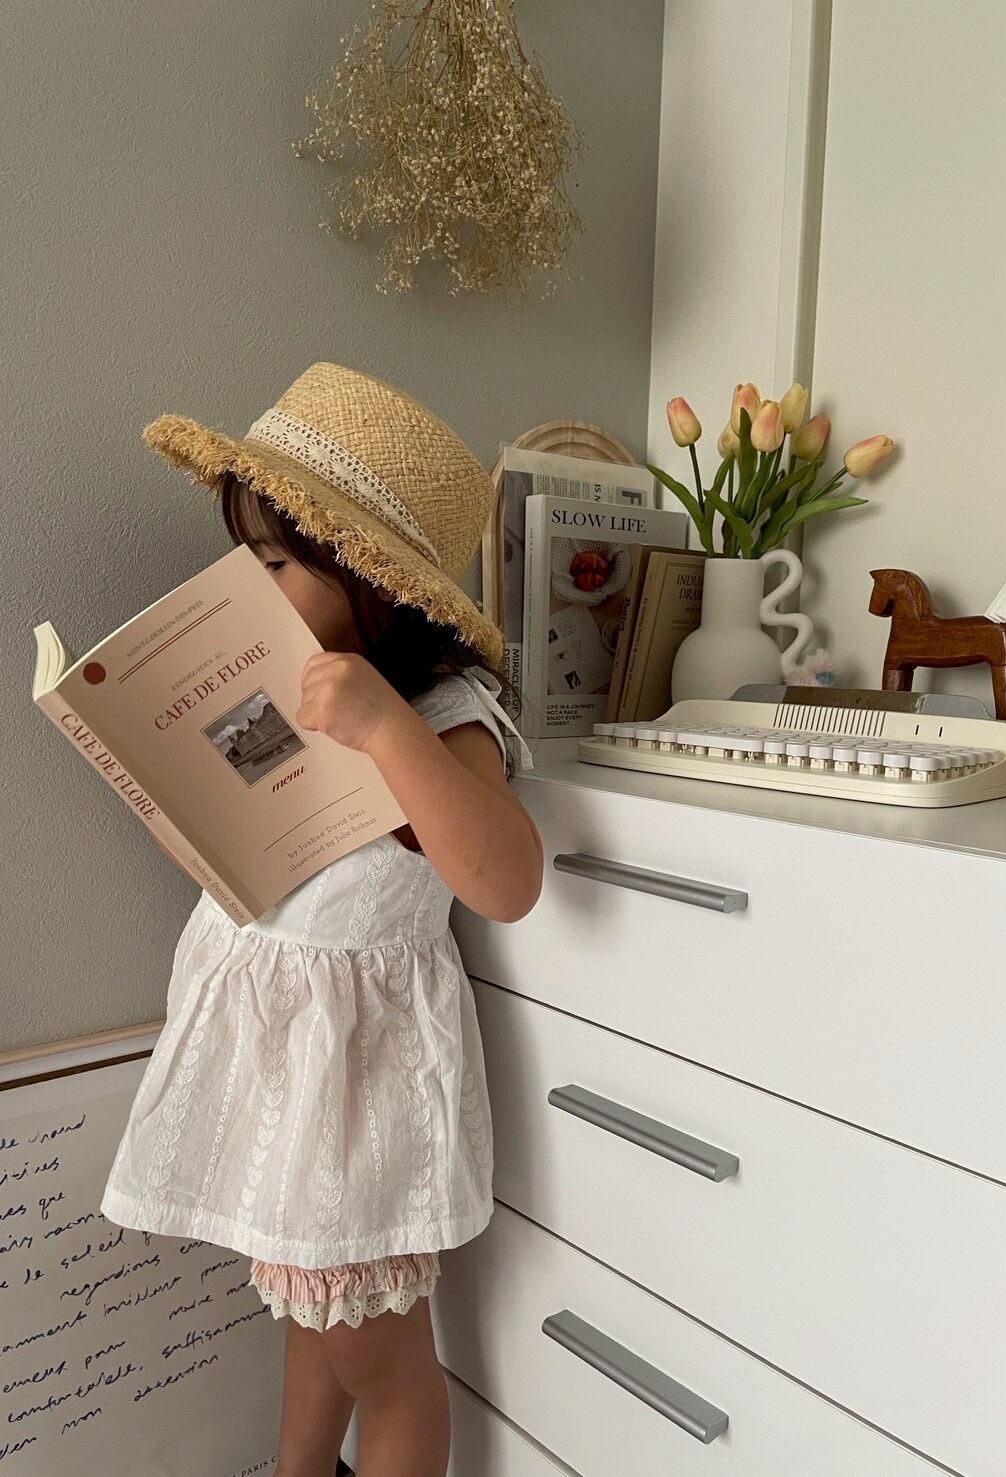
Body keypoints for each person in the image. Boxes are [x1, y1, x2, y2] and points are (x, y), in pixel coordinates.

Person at [100, 363, 544, 1477]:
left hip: (357, 1085)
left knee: (382, 1360)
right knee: (311, 1307)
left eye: (274, 563)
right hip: (281, 1068)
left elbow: (504, 881)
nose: (246, 585)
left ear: (372, 577)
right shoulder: (282, 685)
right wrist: (160, 786)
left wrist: (386, 728)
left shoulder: (444, 713)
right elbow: (244, 859)